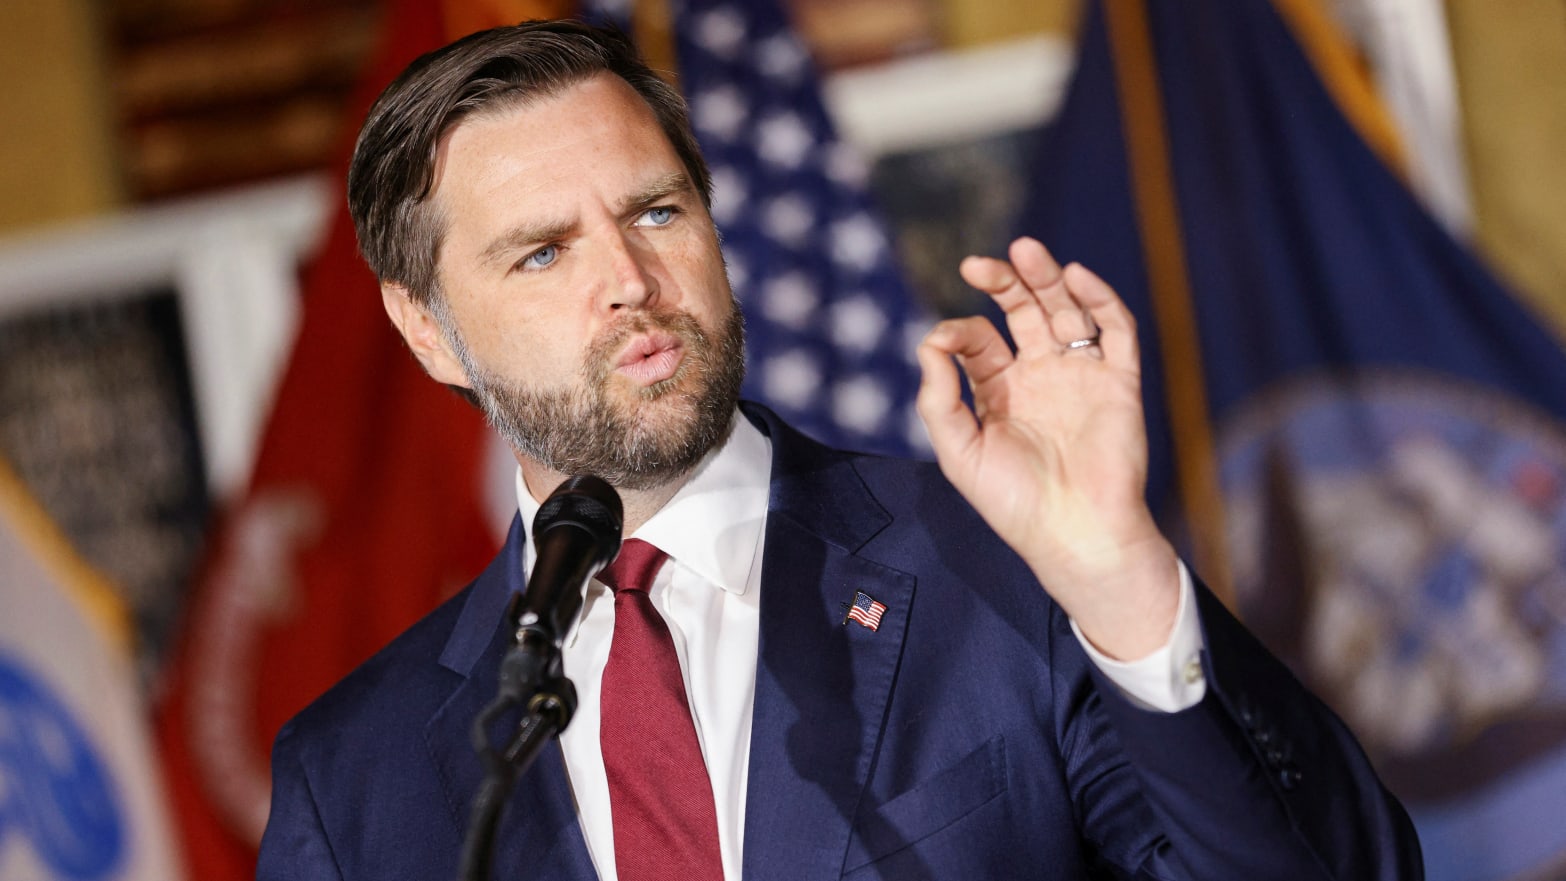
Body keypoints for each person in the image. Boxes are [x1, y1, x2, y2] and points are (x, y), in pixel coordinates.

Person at [257, 19, 1422, 881]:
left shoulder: (1004, 568)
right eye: (543, 253)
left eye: (657, 211)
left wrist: (1120, 581)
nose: (630, 282)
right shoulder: (355, 775)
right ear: (426, 327)